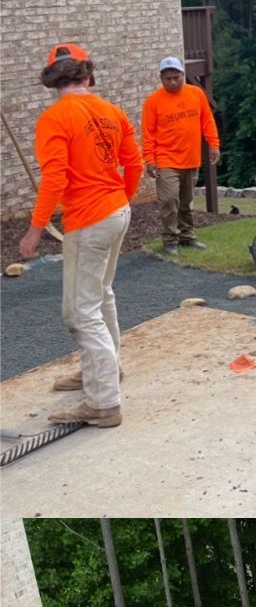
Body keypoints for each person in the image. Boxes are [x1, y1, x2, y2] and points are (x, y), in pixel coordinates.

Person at [18, 43, 143, 428]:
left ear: (52, 81)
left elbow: (55, 178)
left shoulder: (55, 118)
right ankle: (103, 370)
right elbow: (134, 164)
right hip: (116, 211)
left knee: (79, 312)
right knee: (101, 297)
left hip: (90, 220)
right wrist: (119, 199)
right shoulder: (112, 112)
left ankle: (103, 401)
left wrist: (35, 230)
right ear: (87, 76)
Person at [141, 56, 220, 254]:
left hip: (191, 158)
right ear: (161, 78)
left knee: (186, 201)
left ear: (183, 75)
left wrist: (214, 145)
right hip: (166, 160)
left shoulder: (196, 94)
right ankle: (170, 240)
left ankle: (187, 236)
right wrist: (150, 160)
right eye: (168, 78)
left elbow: (207, 121)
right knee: (169, 200)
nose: (173, 82)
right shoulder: (153, 102)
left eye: (176, 77)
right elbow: (148, 133)